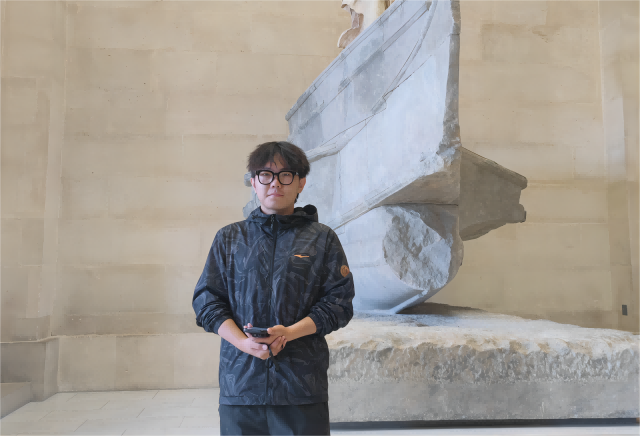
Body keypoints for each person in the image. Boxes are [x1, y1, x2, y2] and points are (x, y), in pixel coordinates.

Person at [192, 141, 355, 436]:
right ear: (254, 182)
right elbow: (207, 301)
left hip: (302, 388)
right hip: (240, 386)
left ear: (301, 182)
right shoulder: (230, 238)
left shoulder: (322, 239)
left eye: (285, 175)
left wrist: (289, 333)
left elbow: (339, 303)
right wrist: (243, 343)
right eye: (265, 174)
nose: (275, 183)